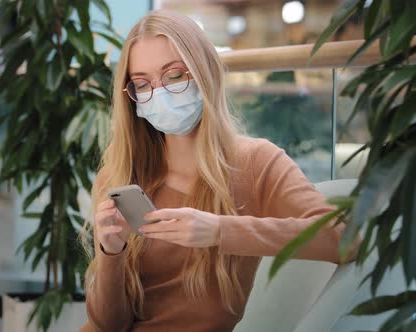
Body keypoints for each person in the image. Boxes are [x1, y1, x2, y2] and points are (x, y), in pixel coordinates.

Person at [80, 10, 356, 332]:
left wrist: (221, 231)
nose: (159, 93)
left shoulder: (256, 163)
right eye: (142, 83)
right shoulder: (120, 174)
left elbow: (347, 240)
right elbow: (106, 325)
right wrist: (111, 252)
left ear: (205, 73)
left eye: (174, 76)